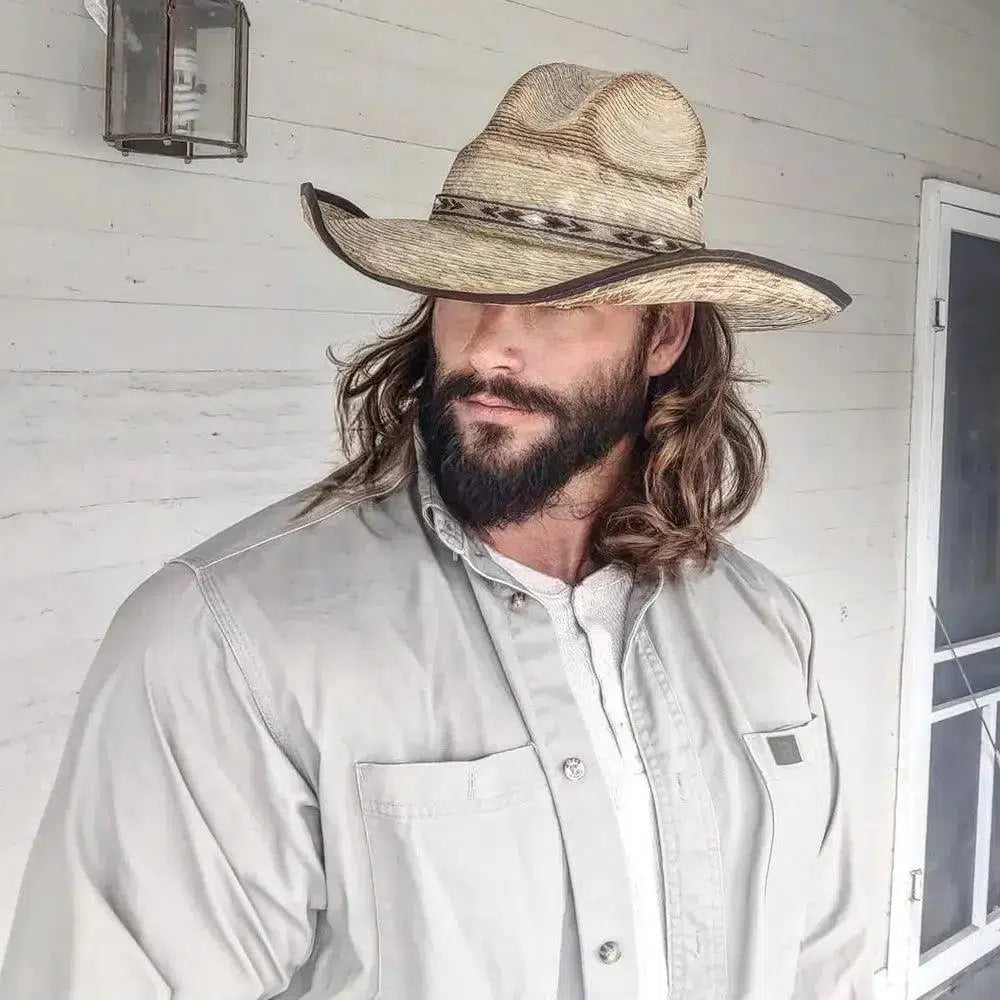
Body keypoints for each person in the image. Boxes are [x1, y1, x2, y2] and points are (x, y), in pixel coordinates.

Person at [0, 62, 871, 1000]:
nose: (492, 343)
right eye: (463, 287)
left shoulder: (764, 628)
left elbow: (825, 964)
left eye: (561, 300)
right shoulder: (231, 641)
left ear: (663, 338)